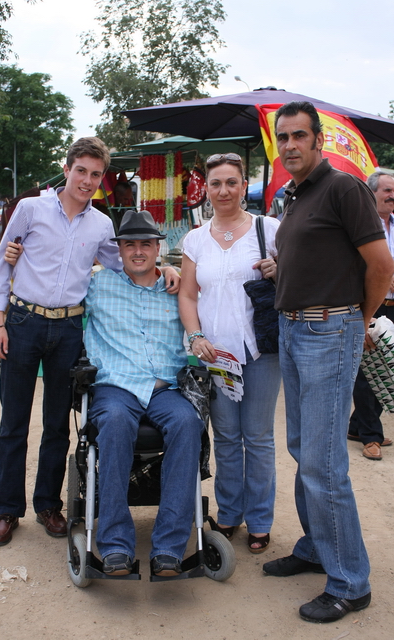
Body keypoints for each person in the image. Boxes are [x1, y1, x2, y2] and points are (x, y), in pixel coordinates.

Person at [0, 137, 179, 547]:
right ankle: (6, 511)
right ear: (67, 168)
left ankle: (47, 505)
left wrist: (162, 269)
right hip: (23, 321)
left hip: (69, 329)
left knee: (57, 423)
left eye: (95, 175)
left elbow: (124, 264)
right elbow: (2, 263)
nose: (87, 181)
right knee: (13, 422)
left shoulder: (101, 225)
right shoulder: (31, 209)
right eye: (81, 171)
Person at [263, 101, 394, 623]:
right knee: (303, 448)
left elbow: (381, 265)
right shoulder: (294, 196)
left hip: (329, 331)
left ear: (318, 140)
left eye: (299, 135)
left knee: (323, 463)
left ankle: (350, 582)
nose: (291, 144)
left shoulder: (343, 188)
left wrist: (357, 321)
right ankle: (318, 546)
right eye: (284, 137)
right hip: (294, 328)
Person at [84, 209, 204, 577]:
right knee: (117, 422)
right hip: (116, 387)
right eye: (130, 244)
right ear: (118, 250)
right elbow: (50, 287)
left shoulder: (176, 288)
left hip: (164, 387)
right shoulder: (97, 285)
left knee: (188, 423)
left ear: (158, 249)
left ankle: (168, 547)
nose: (138, 251)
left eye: (146, 245)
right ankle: (116, 546)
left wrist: (176, 273)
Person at [178, 152, 281, 554]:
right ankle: (229, 513)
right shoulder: (195, 238)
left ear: (243, 186)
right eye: (216, 183)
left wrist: (280, 269)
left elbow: (296, 278)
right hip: (215, 355)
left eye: (231, 182)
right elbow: (188, 295)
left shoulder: (268, 228)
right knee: (225, 436)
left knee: (257, 437)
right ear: (207, 187)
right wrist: (195, 337)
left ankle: (260, 519)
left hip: (259, 351)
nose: (223, 191)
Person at [348, 172, 394, 459]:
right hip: (372, 304)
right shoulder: (359, 226)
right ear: (372, 193)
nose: (392, 195)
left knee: (388, 367)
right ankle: (370, 436)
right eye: (387, 190)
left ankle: (356, 426)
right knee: (367, 371)